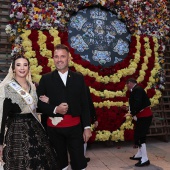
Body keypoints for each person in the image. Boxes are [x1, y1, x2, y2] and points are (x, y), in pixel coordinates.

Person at [37, 44, 92, 170]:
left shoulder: (78, 78)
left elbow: (84, 103)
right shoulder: (46, 79)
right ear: (53, 58)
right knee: (59, 163)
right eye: (56, 56)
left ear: (69, 58)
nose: (59, 59)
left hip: (75, 128)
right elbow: (39, 104)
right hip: (54, 130)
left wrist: (87, 127)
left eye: (62, 56)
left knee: (79, 162)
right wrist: (55, 109)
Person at [0, 55, 59, 170]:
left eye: (25, 65)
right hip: (15, 131)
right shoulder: (6, 88)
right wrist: (0, 142)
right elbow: (2, 116)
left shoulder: (33, 86)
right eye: (18, 65)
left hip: (34, 128)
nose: (22, 68)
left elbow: (37, 108)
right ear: (13, 68)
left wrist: (49, 102)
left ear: (28, 68)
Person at [125, 78, 153, 167]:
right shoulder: (137, 89)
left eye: (127, 84)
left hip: (145, 116)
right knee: (138, 135)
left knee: (141, 137)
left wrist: (131, 113)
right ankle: (140, 154)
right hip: (142, 116)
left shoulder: (137, 90)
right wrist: (130, 110)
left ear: (129, 83)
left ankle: (145, 159)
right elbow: (135, 103)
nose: (126, 86)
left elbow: (138, 103)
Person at [84, 85, 98, 163]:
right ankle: (81, 157)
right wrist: (94, 118)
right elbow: (89, 103)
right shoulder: (85, 87)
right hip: (83, 117)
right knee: (84, 138)